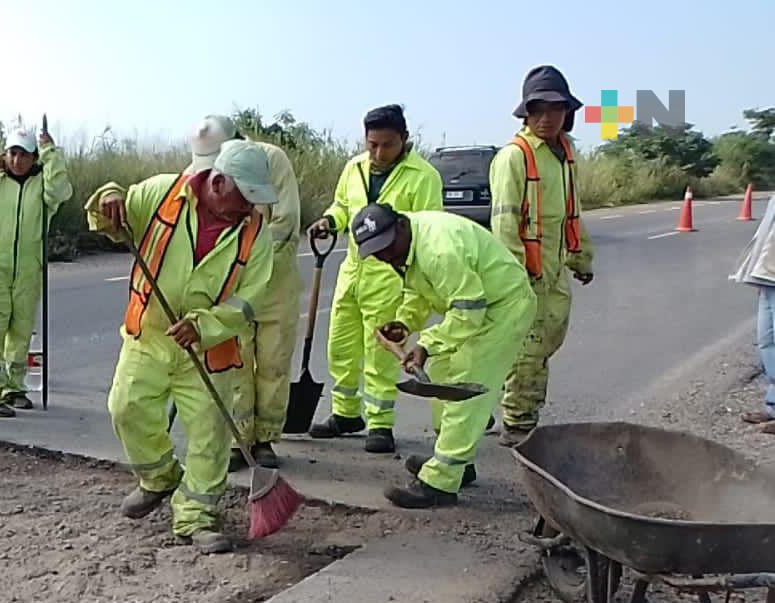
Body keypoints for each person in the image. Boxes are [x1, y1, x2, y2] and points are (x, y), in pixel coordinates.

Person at [86, 140, 278, 554]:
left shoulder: (256, 235)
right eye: (246, 197)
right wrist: (109, 198)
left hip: (211, 348)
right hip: (150, 334)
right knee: (126, 407)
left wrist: (204, 326)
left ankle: (196, 516)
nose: (250, 208)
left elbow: (249, 300)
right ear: (219, 181)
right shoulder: (163, 194)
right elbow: (109, 214)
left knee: (209, 434)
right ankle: (160, 479)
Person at [352, 203, 535, 509]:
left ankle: (439, 483)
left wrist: (426, 345)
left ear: (400, 225)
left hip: (502, 307)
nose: (385, 257)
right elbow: (420, 291)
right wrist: (405, 323)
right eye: (376, 253)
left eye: (385, 247)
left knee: (465, 390)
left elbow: (468, 312)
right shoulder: (407, 246)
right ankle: (455, 462)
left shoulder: (439, 250)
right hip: (479, 308)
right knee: (442, 379)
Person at [308, 105, 444, 454]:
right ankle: (346, 414)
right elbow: (342, 206)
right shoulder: (353, 168)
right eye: (372, 145)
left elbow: (427, 228)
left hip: (390, 275)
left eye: (387, 145)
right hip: (353, 270)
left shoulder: (423, 176)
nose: (378, 153)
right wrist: (329, 221)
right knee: (340, 345)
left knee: (379, 351)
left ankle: (380, 424)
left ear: (404, 140)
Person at [185, 115, 302, 470]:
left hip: (274, 284)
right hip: (230, 286)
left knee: (272, 362)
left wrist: (253, 253)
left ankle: (264, 438)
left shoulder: (271, 159)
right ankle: (239, 438)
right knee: (235, 363)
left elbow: (286, 219)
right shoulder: (205, 170)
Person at [491, 65, 595, 446]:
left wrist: (581, 258)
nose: (546, 118)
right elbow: (505, 223)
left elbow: (572, 211)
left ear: (568, 112)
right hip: (524, 274)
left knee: (547, 341)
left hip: (554, 270)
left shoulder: (565, 154)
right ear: (526, 112)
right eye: (538, 110)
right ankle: (518, 423)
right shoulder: (513, 158)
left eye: (555, 109)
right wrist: (515, 278)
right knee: (527, 348)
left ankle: (523, 413)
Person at [0, 123, 73, 416]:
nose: (17, 160)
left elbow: (61, 190)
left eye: (25, 155)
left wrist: (51, 153)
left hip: (29, 266)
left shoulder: (42, 184)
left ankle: (13, 387)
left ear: (35, 158)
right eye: (12, 153)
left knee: (21, 330)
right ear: (4, 154)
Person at [730, 193, 775, 434]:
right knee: (767, 342)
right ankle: (773, 406)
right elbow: (766, 237)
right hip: (768, 277)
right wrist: (756, 274)